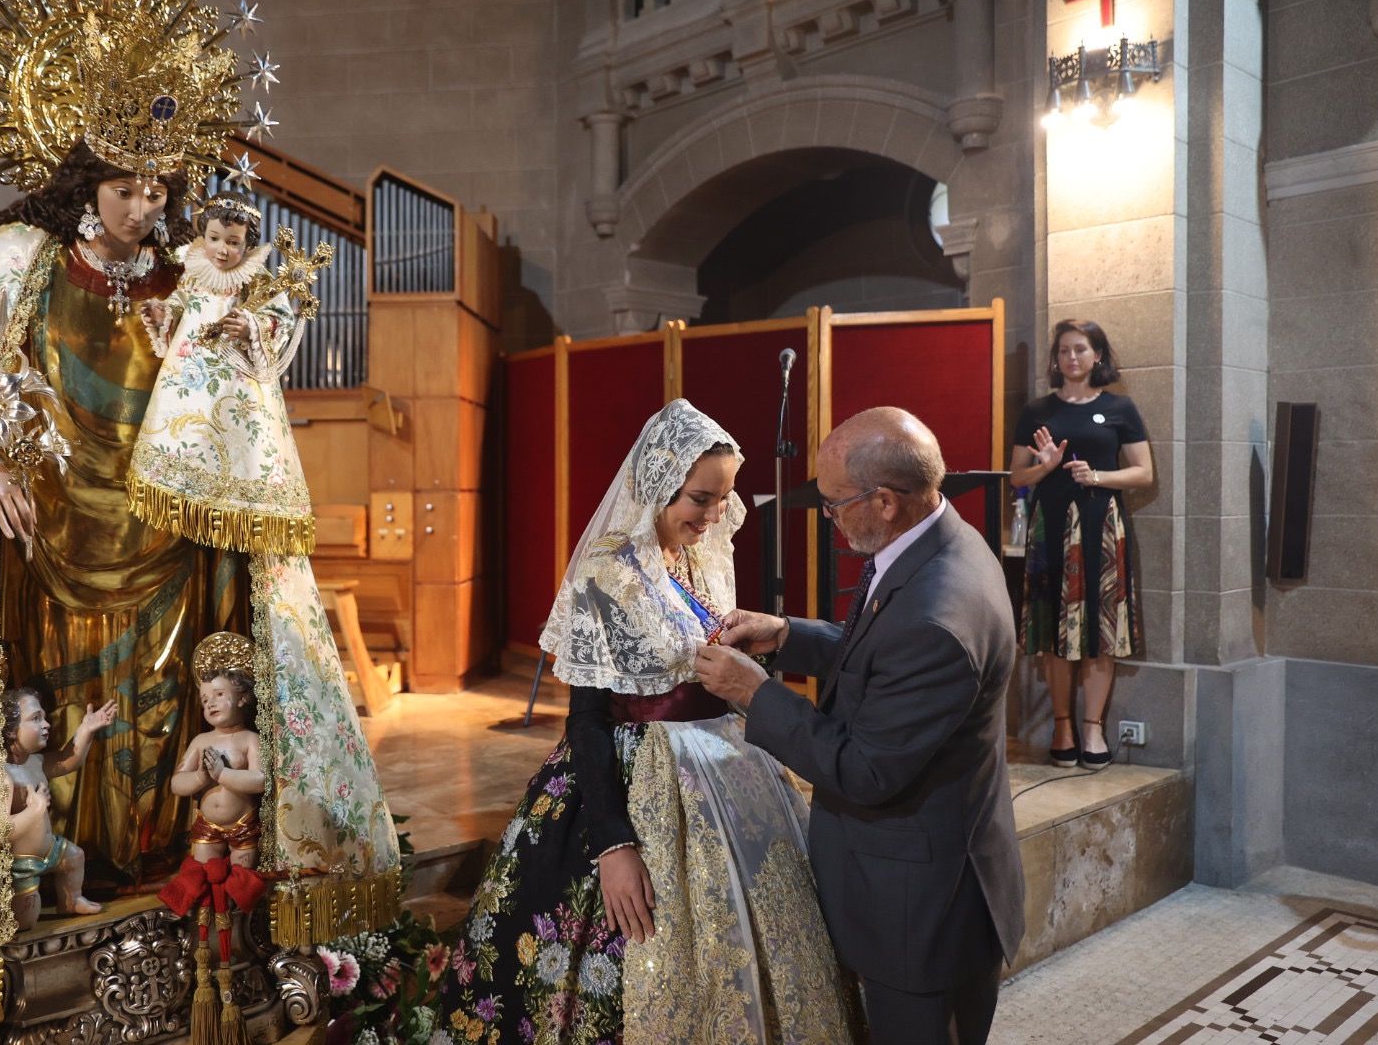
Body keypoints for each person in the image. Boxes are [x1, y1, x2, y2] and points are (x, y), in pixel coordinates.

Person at [0, 0, 398, 1036]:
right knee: (61, 702)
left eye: (160, 190)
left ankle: (167, 859)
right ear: (83, 185)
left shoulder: (174, 274)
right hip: (54, 528)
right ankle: (66, 868)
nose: (148, 209)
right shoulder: (21, 258)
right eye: (127, 192)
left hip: (164, 537)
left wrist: (236, 332)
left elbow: (225, 385)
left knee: (167, 707)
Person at [438, 399, 852, 1044]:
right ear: (658, 483)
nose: (715, 516)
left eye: (725, 498)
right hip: (639, 777)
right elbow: (587, 719)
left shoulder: (699, 553)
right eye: (700, 498)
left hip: (730, 767)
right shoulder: (607, 572)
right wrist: (613, 843)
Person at [695, 406, 1024, 1045]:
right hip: (929, 875)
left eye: (834, 504)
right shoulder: (938, 538)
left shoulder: (938, 613)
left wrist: (756, 694)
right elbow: (880, 650)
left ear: (884, 501)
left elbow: (866, 768)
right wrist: (787, 635)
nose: (829, 516)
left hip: (924, 905)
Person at [129, 190, 314, 554]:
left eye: (233, 242)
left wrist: (250, 328)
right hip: (187, 382)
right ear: (203, 234)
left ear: (247, 245)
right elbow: (181, 304)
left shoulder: (254, 280)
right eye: (214, 238)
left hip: (234, 384)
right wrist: (162, 315)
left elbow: (280, 319)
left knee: (234, 445)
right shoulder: (194, 271)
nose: (222, 250)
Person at [1009, 320, 1154, 769]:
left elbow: (1144, 472)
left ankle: (1093, 727)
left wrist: (1098, 477)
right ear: (1056, 360)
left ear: (1097, 356)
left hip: (1101, 525)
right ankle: (1062, 724)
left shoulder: (1120, 408)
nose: (1072, 358)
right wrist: (1047, 466)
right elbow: (1016, 477)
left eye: (1081, 350)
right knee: (1055, 628)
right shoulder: (1037, 411)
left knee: (1099, 627)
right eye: (1064, 351)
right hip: (1049, 527)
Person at [4, 689, 117, 929]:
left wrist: (86, 729)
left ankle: (71, 900)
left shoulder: (36, 762)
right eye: (35, 718)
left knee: (75, 857)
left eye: (43, 717)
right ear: (11, 730)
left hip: (50, 848)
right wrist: (34, 811)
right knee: (25, 922)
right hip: (21, 862)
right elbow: (0, 830)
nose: (46, 724)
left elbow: (69, 760)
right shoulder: (2, 775)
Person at [169, 632, 265, 871]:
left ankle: (236, 909)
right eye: (204, 699)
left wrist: (222, 774)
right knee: (202, 876)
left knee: (240, 880)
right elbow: (177, 783)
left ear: (242, 698)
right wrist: (201, 777)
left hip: (243, 825)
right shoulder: (201, 741)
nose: (210, 703)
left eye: (219, 695)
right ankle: (208, 910)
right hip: (206, 825)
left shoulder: (250, 740)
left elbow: (261, 780)